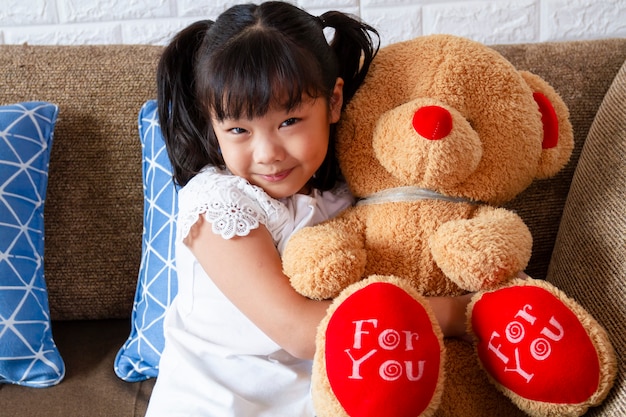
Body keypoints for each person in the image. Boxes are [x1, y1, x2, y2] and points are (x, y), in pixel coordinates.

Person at [146, 2, 470, 416]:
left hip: (319, 394)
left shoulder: (337, 192)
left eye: (289, 122)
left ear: (333, 101)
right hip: (221, 404)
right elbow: (298, 331)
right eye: (239, 131)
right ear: (213, 126)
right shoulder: (217, 203)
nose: (267, 154)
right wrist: (461, 314)